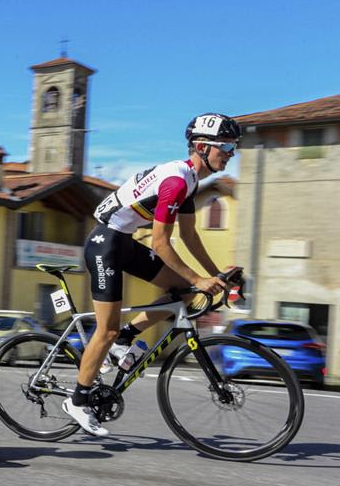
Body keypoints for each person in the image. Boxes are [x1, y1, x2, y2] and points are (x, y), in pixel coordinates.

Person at [68, 113, 240, 436]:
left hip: (123, 242)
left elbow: (189, 237)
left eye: (234, 146)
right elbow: (161, 243)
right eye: (226, 146)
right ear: (202, 147)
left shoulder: (189, 181)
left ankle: (126, 337)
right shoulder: (176, 182)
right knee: (104, 330)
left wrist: (215, 274)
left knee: (185, 291)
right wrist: (200, 278)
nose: (231, 153)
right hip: (104, 244)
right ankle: (77, 399)